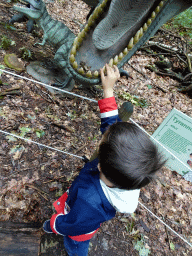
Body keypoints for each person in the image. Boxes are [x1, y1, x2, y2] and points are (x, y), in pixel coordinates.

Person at [43, 64, 165, 256]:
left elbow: (75, 224)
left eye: (102, 140)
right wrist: (108, 89)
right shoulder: (124, 169)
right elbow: (110, 126)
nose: (103, 134)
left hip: (77, 231)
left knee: (74, 246)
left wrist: (56, 223)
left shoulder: (90, 202)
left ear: (100, 165)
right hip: (80, 204)